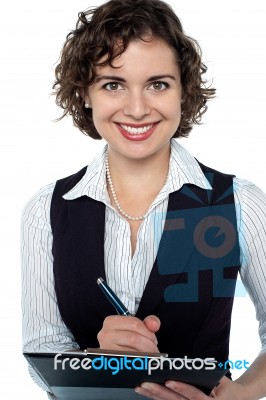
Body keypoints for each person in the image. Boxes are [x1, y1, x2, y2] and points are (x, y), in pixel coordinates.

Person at [21, 0, 266, 399]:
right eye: (113, 85)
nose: (137, 109)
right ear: (85, 93)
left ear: (183, 91)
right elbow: (41, 350)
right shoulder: (45, 211)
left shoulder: (241, 203)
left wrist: (239, 394)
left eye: (158, 84)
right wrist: (96, 358)